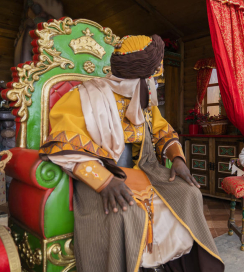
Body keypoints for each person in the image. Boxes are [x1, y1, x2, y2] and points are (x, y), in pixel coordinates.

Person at [39, 35, 224, 272]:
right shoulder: (83, 97)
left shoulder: (143, 92)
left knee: (189, 195)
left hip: (145, 168)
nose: (157, 76)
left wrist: (177, 158)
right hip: (102, 174)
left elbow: (161, 129)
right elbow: (65, 146)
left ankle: (170, 264)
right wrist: (105, 182)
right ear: (143, 73)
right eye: (155, 71)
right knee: (124, 212)